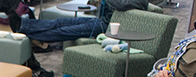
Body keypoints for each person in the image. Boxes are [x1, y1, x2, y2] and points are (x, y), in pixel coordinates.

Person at [8, 0, 148, 45]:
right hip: (101, 22)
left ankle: (28, 36)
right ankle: (23, 25)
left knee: (65, 31)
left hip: (107, 28)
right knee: (62, 22)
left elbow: (123, 5)